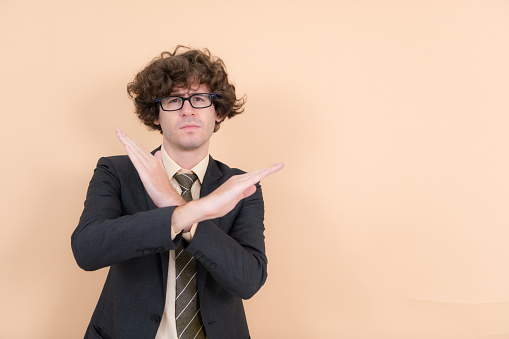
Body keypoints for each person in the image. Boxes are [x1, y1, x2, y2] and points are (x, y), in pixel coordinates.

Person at [71, 46, 283, 339]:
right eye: (173, 100)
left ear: (218, 112)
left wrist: (172, 203)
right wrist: (186, 213)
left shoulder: (239, 187)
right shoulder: (117, 171)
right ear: (155, 115)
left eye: (199, 99)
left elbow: (248, 280)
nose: (187, 110)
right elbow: (87, 249)